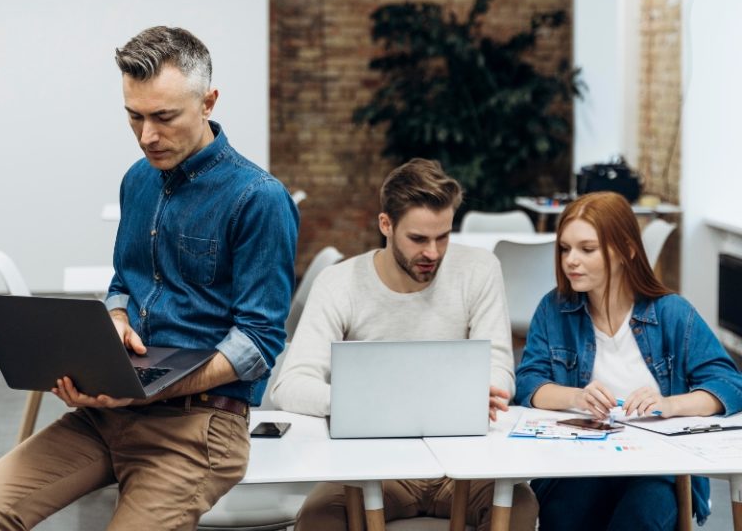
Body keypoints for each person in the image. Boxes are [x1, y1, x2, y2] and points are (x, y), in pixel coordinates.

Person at [0, 26, 299, 530]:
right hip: (110, 414)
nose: (148, 135)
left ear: (208, 101)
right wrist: (115, 324)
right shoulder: (138, 180)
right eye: (135, 116)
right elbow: (123, 282)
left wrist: (150, 389)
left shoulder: (259, 199)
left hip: (198, 428)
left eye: (164, 117)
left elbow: (258, 344)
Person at [272, 158, 538, 531]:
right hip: (374, 465)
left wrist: (492, 389)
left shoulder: (479, 269)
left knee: (520, 506)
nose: (433, 252)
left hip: (464, 462)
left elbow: (498, 365)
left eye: (443, 236)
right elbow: (291, 384)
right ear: (386, 224)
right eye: (418, 239)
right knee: (319, 518)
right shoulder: (339, 282)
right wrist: (365, 404)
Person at [515, 190, 742, 531]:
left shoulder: (671, 312)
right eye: (565, 248)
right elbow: (528, 383)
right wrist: (576, 397)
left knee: (640, 518)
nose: (570, 260)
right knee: (564, 516)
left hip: (657, 468)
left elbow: (729, 384)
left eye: (586, 249)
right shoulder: (554, 309)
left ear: (627, 250)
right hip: (577, 465)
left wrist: (670, 404)